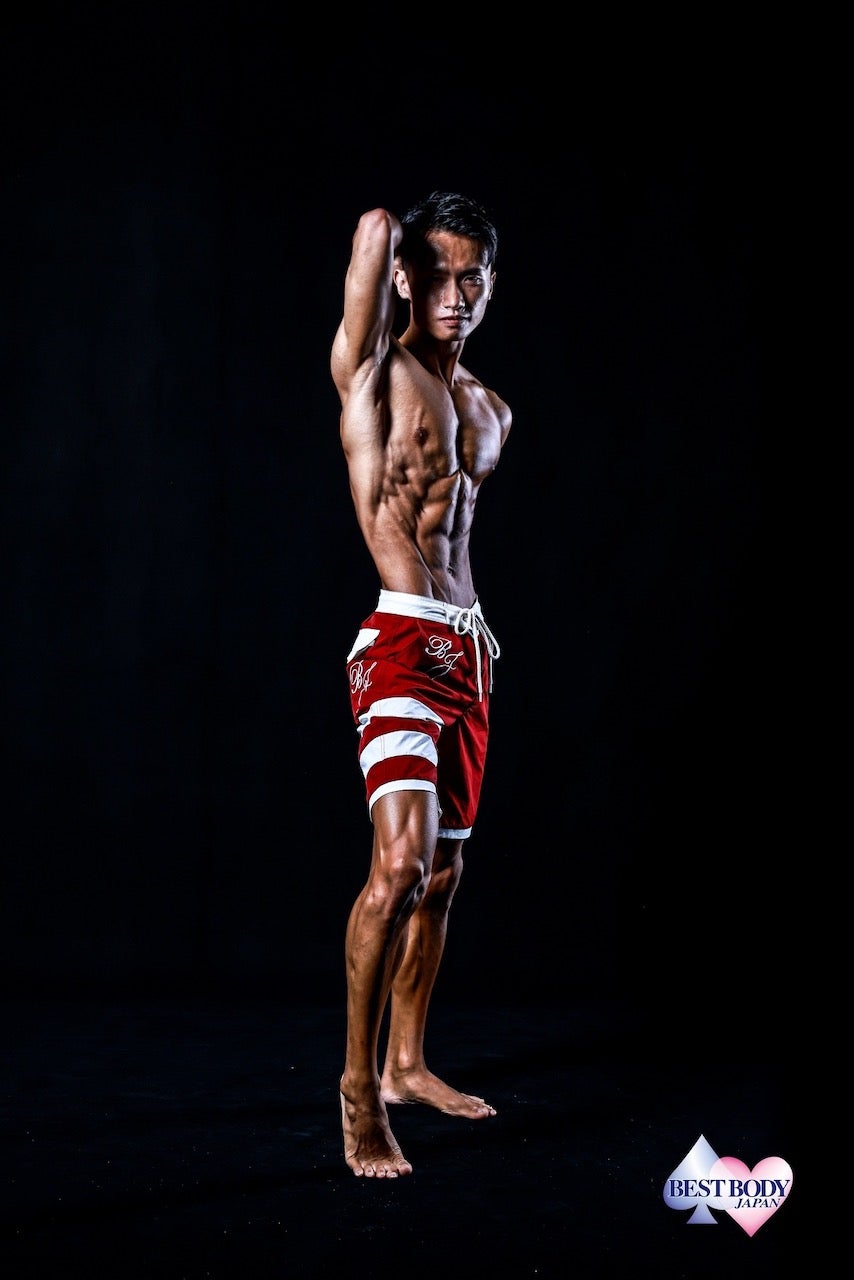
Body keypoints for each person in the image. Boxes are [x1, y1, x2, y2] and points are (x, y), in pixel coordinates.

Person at [330, 191, 512, 1178]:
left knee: (441, 876)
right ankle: (359, 1091)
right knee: (396, 865)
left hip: (468, 651)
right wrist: (390, 238)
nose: (454, 293)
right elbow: (369, 236)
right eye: (435, 273)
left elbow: (457, 535)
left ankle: (406, 1064)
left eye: (470, 275)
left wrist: (471, 652)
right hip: (399, 640)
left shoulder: (489, 408)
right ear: (405, 275)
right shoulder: (370, 371)